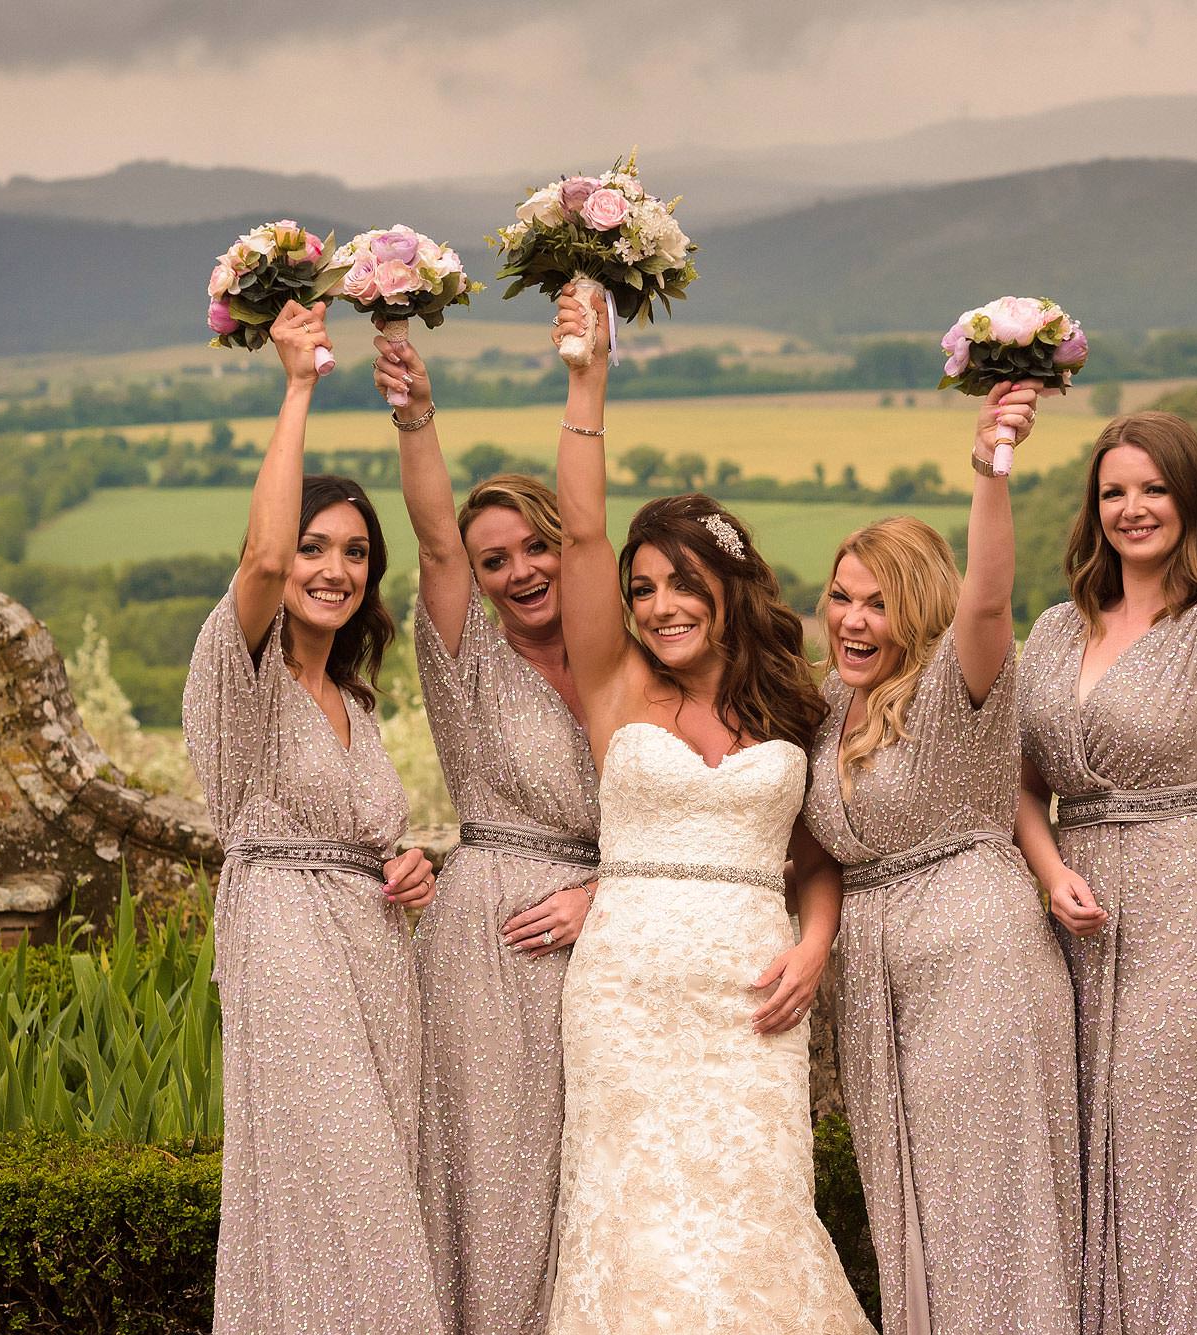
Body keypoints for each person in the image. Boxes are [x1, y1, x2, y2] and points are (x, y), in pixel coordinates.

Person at [542, 293, 874, 1334]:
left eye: (681, 583)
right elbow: (581, 532)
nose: (659, 607)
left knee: (753, 1215)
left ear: (728, 585)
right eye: (642, 589)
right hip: (625, 995)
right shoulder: (614, 684)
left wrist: (814, 947)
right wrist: (587, 376)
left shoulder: (793, 704)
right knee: (634, 1224)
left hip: (750, 996)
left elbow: (817, 860)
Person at [1014, 281, 1197, 1334]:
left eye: (1151, 489)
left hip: (1182, 912)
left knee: (1166, 1161)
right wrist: (1050, 870)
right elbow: (1018, 778)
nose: (1130, 507)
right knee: (1079, 1163)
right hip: (1071, 921)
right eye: (1111, 492)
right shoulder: (1056, 628)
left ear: (1189, 500)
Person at [181, 299, 442, 1335]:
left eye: (355, 553)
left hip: (376, 956)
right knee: (337, 1185)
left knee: (382, 1177)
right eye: (313, 547)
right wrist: (297, 386)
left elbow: (365, 835)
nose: (333, 568)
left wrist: (408, 865)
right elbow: (256, 562)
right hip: (287, 946)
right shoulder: (239, 671)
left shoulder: (357, 702)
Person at [799, 386, 1080, 1335]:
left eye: (879, 603)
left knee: (989, 1209)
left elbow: (989, 595)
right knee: (912, 1216)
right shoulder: (824, 706)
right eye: (842, 596)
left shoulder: (958, 685)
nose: (853, 619)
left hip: (976, 968)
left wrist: (989, 467)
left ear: (919, 608)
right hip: (876, 988)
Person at [370, 329, 601, 1335]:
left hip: (613, 941)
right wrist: (415, 414)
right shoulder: (464, 655)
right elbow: (431, 541)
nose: (519, 571)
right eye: (494, 560)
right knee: (491, 1173)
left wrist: (602, 897)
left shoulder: (627, 660)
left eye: (536, 547)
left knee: (592, 1176)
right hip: (492, 942)